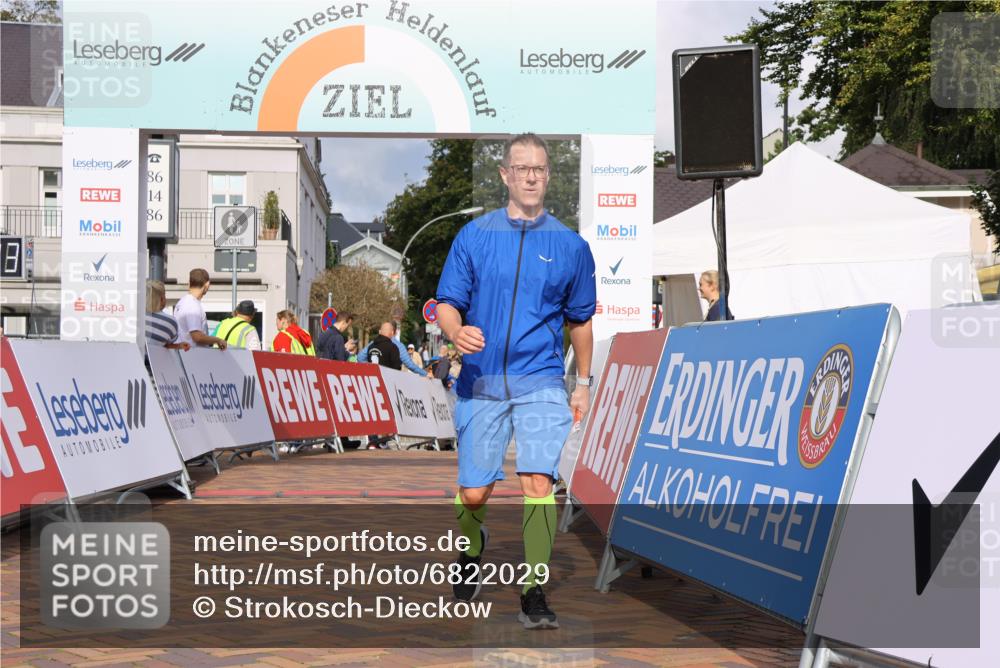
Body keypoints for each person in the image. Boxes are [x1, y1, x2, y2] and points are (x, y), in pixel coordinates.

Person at [436, 132, 596, 629]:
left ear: (548, 176)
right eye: (521, 167)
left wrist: (583, 382)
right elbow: (446, 303)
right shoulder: (475, 236)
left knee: (538, 481)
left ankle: (533, 589)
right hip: (481, 380)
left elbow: (581, 322)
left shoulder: (570, 245)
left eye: (540, 168)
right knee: (474, 495)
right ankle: (470, 551)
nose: (531, 176)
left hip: (541, 378)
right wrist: (455, 331)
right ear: (505, 174)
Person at [173, 268, 227, 349]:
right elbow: (197, 337)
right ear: (207, 284)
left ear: (189, 283)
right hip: (193, 356)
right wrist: (218, 340)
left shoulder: (182, 302)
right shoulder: (193, 305)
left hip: (183, 354)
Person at [145, 280, 190, 352]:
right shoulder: (170, 321)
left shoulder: (135, 316)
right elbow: (163, 343)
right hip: (152, 362)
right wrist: (178, 346)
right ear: (162, 299)